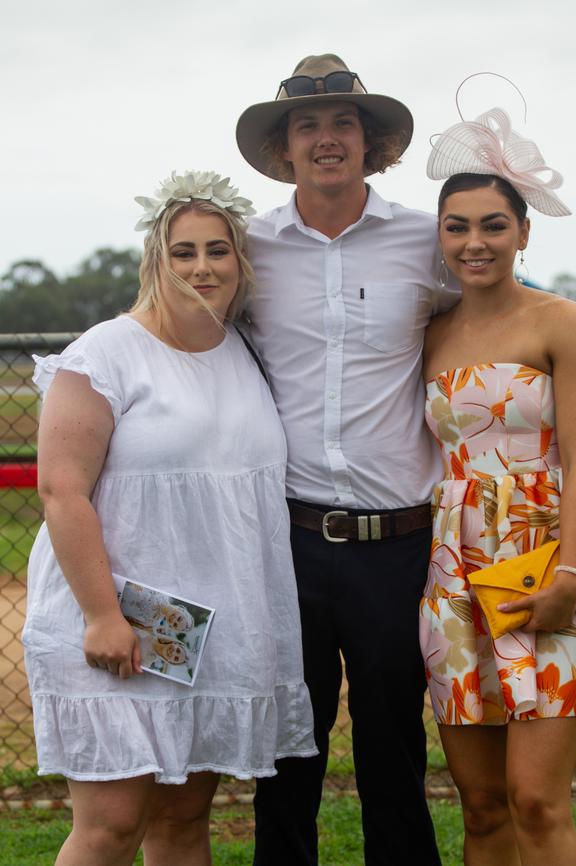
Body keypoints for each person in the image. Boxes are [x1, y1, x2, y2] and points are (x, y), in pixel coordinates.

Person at [22, 170, 316, 866]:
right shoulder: (106, 354)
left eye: (219, 250)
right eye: (184, 251)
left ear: (240, 260)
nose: (202, 267)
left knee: (183, 822)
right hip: (120, 617)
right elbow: (61, 490)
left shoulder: (243, 352)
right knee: (111, 825)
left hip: (201, 628)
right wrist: (102, 616)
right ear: (156, 256)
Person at [236, 53, 459, 866]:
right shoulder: (247, 247)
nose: (327, 139)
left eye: (343, 124)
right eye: (308, 126)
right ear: (283, 147)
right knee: (287, 748)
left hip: (396, 543)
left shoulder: (426, 242)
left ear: (372, 145)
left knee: (395, 751)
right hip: (283, 536)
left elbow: (492, 339)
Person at [419, 107, 576, 865]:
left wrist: (572, 575)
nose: (473, 243)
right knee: (482, 806)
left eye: (492, 225)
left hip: (551, 558)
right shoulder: (430, 332)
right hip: (457, 572)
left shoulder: (563, 321)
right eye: (456, 227)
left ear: (523, 231)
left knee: (536, 799)